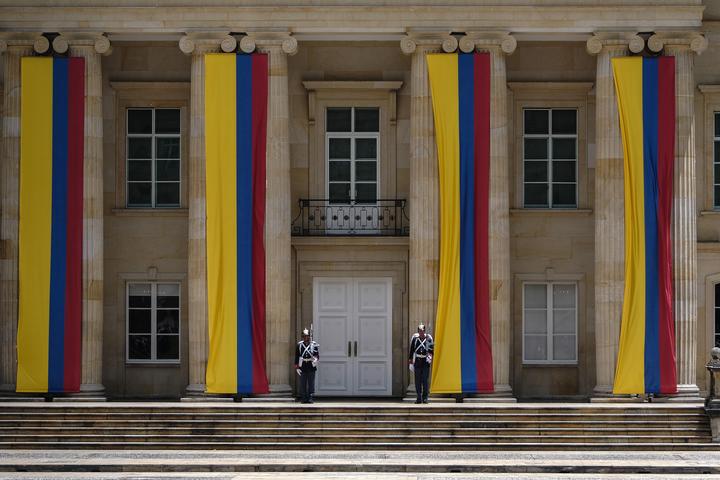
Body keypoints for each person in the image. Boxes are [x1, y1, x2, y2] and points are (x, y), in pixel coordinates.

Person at [408, 324, 434, 404]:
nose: (421, 333)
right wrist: (410, 360)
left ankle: (425, 398)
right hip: (418, 361)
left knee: (425, 380)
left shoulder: (428, 339)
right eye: (419, 331)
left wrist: (429, 358)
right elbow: (412, 349)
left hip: (425, 362)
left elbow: (431, 350)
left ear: (424, 331)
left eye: (422, 331)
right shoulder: (415, 339)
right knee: (417, 381)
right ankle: (418, 397)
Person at [294, 328, 319, 404]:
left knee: (311, 383)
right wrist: (297, 367)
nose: (306, 338)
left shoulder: (314, 344)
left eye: (307, 336)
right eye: (304, 336)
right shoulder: (299, 345)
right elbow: (297, 356)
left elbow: (317, 355)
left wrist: (316, 359)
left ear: (309, 336)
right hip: (303, 365)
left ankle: (310, 397)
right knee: (303, 383)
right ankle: (304, 398)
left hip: (311, 365)